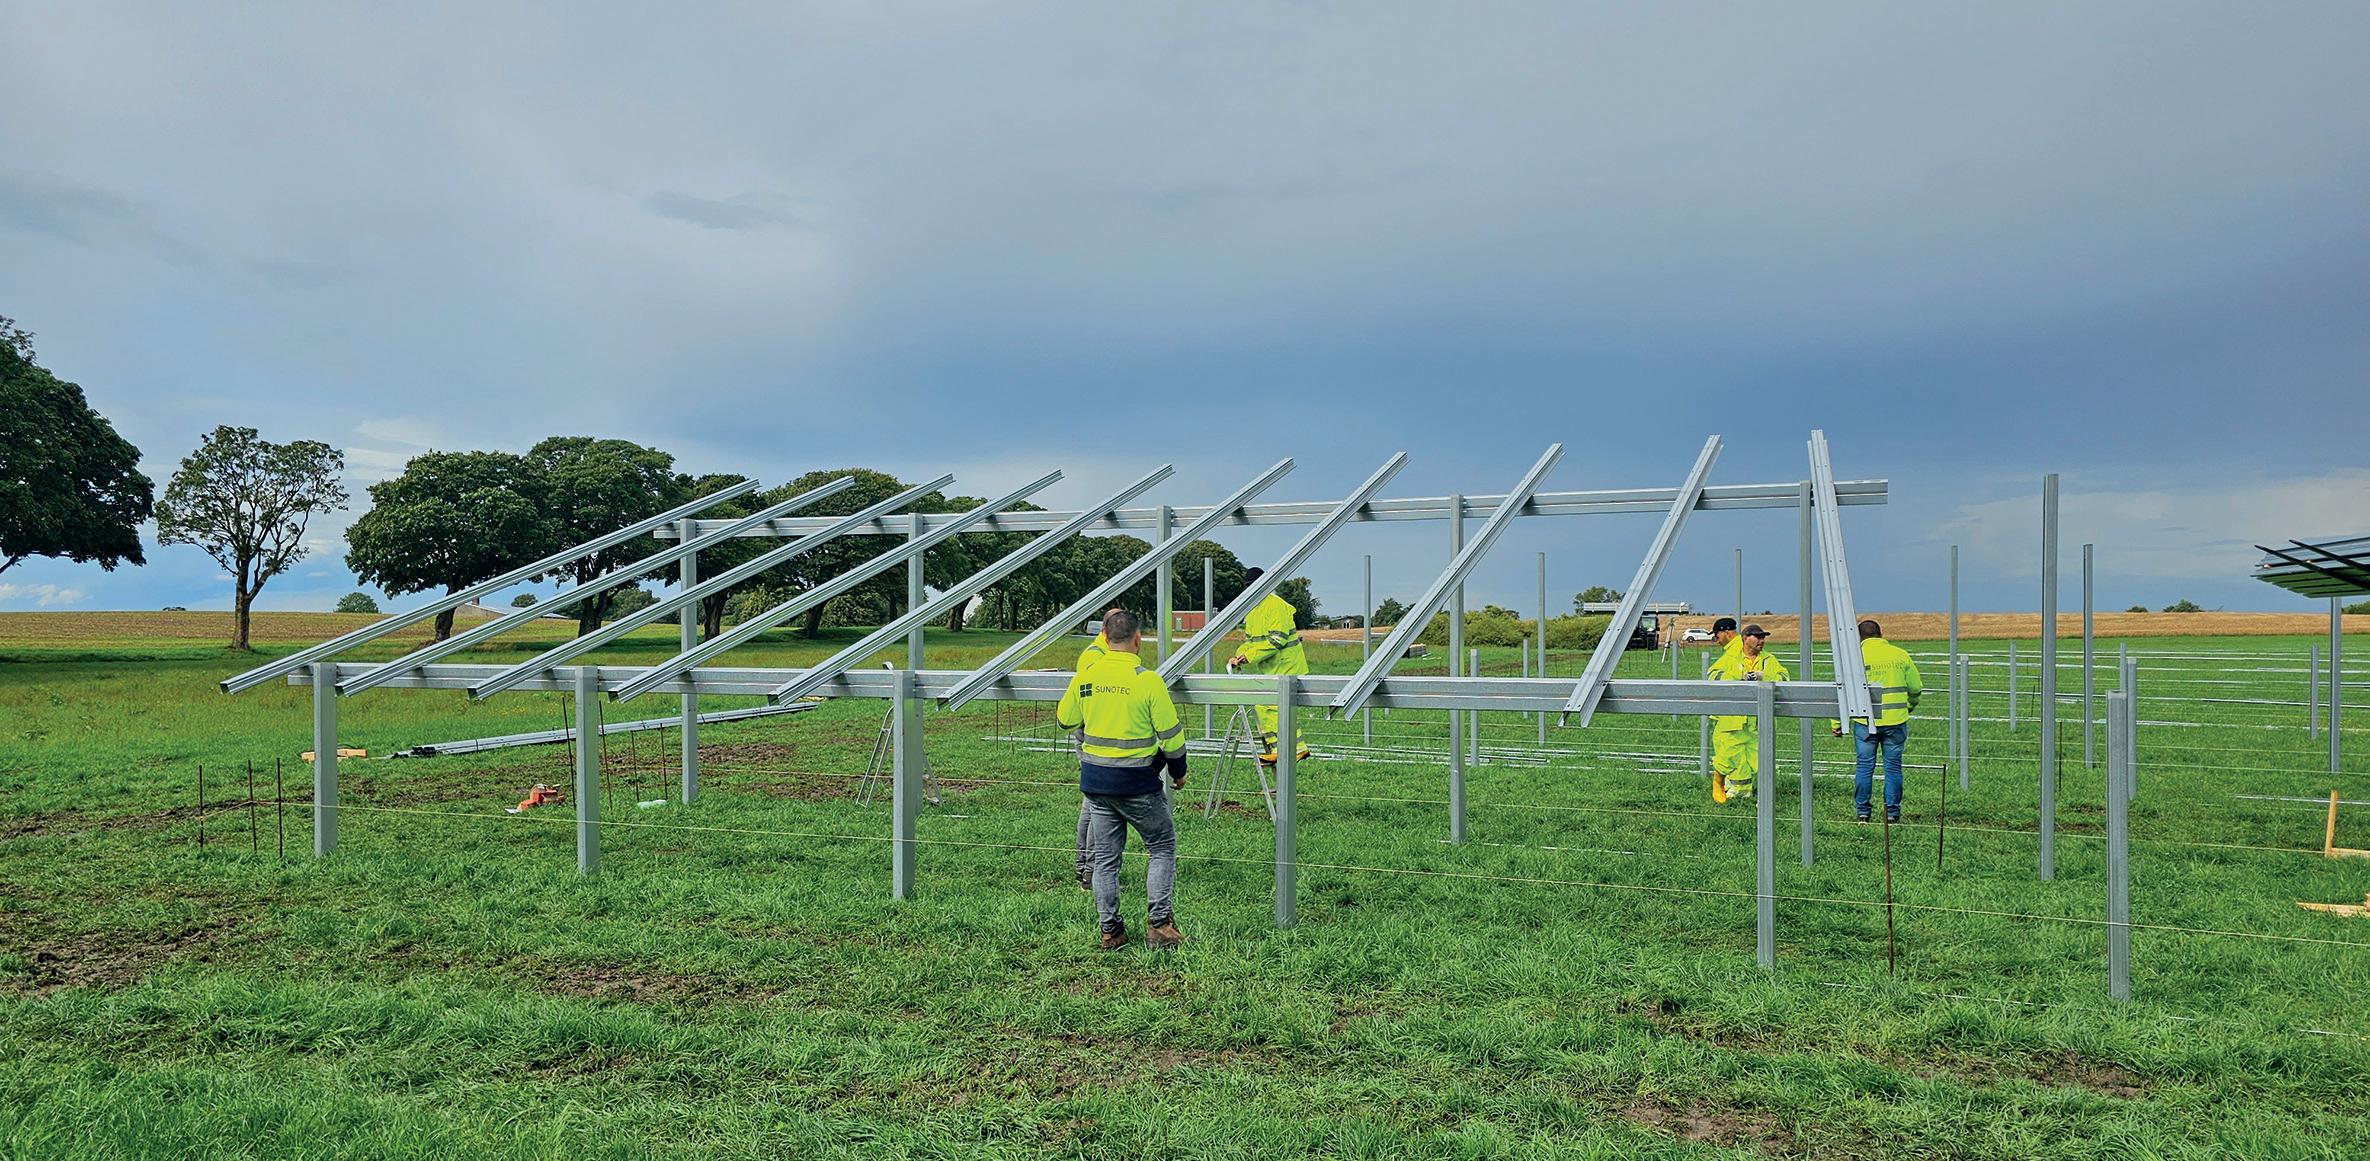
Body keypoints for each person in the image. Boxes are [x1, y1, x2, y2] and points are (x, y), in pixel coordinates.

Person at [1055, 609, 1190, 949]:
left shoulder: (1086, 677)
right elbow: (1171, 737)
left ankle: (1111, 931)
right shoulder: (1148, 681)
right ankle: (1160, 925)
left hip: (1097, 783)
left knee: (1105, 859)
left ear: (1103, 636)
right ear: (1137, 639)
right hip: (1138, 783)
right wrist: (1178, 772)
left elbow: (1065, 719)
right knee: (1161, 847)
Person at [1832, 618, 1923, 823]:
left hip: (1865, 722)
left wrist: (1837, 723)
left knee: (1864, 766)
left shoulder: (1854, 659)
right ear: (1881, 635)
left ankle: (1863, 812)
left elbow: (1842, 692)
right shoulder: (1900, 654)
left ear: (1859, 638)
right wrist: (1909, 706)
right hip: (1895, 721)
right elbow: (1916, 687)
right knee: (1893, 767)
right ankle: (1892, 813)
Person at [1226, 567, 1310, 767]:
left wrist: (1248, 656)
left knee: (1275, 707)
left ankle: (1297, 748)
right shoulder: (1252, 611)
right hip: (1273, 669)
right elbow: (1250, 641)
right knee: (1262, 705)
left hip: (1288, 666)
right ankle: (1276, 750)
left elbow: (1277, 640)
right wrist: (1239, 655)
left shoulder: (1276, 605)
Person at [1071, 610, 1124, 891]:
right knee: (1098, 805)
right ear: (1106, 630)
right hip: (1094, 734)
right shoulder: (1095, 656)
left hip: (1094, 732)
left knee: (1091, 804)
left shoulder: (1102, 652)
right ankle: (1091, 870)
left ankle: (1084, 867)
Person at [1707, 623, 1787, 802]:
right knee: (1728, 755)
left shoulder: (1769, 660)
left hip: (1758, 720)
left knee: (1758, 759)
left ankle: (1746, 793)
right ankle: (1720, 784)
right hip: (1733, 718)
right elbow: (1713, 675)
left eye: (1763, 637)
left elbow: (1784, 677)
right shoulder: (1732, 658)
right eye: (1757, 637)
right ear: (1745, 638)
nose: (1761, 640)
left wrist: (1764, 677)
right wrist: (1739, 678)